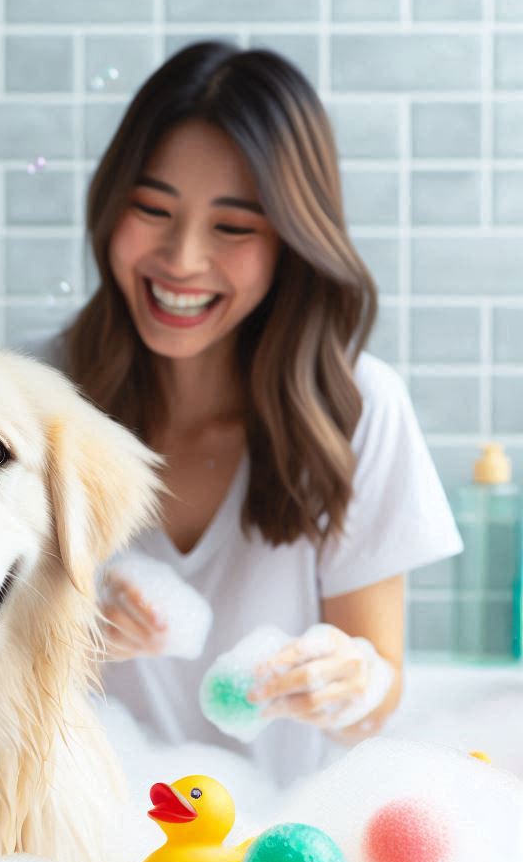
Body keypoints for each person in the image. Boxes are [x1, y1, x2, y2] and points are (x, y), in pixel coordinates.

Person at [33, 41, 462, 785]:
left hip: (273, 856)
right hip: (83, 845)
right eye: (152, 208)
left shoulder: (355, 410)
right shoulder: (31, 400)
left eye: (233, 227)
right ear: (110, 206)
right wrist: (64, 632)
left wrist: (349, 679)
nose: (182, 259)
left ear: (291, 243)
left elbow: (378, 699)